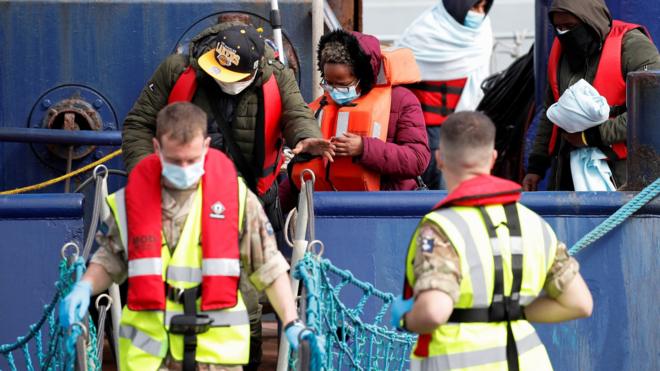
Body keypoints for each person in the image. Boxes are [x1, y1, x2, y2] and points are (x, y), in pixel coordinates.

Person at [121, 21, 333, 368]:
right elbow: (139, 124)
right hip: (178, 196)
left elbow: (296, 114)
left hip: (245, 196)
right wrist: (150, 176)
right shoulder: (180, 68)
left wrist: (306, 136)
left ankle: (244, 358)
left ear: (252, 71)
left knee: (245, 294)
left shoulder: (275, 76)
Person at [60, 102, 321, 371]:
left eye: (192, 160)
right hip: (150, 356)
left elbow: (268, 266)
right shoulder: (131, 203)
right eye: (175, 161)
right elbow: (111, 259)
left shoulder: (236, 198)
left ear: (206, 146)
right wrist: (85, 287)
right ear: (157, 148)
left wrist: (291, 322)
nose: (184, 168)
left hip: (216, 356)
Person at [390, 112, 593, 370]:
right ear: (493, 158)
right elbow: (579, 303)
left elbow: (433, 311)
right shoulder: (533, 223)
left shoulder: (441, 229)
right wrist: (512, 311)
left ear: (439, 158)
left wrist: (406, 318)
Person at [523, 0, 660, 191]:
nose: (564, 33)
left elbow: (652, 111)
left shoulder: (633, 47)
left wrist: (591, 136)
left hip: (622, 178)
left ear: (590, 21)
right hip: (567, 175)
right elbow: (551, 110)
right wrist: (536, 167)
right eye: (559, 28)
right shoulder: (560, 52)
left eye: (570, 27)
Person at [284, 29, 429, 198]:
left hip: (386, 208)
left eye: (342, 84)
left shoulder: (402, 101)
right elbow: (304, 172)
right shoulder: (322, 106)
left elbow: (418, 159)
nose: (334, 90)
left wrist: (364, 148)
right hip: (332, 209)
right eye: (328, 83)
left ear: (363, 77)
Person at [396, 0, 494, 189]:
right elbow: (400, 73)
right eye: (474, 7)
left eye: (483, 7)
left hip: (463, 130)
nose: (479, 13)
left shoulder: (481, 35)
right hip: (422, 132)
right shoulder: (423, 32)